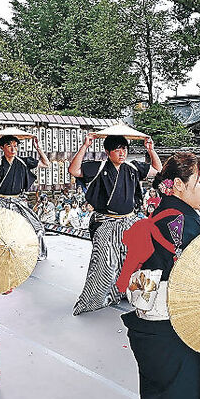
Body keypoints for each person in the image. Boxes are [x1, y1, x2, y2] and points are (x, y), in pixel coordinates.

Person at [119, 153, 200, 399]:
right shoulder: (183, 223)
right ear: (177, 187)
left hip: (150, 329)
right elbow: (199, 277)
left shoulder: (160, 216)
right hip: (174, 330)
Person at [70, 133, 161, 315]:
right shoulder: (100, 167)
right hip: (106, 221)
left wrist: (151, 150)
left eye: (124, 149)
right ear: (107, 152)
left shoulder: (132, 167)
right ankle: (98, 297)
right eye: (117, 150)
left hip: (129, 221)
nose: (122, 153)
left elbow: (157, 170)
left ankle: (130, 291)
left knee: (135, 259)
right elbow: (74, 170)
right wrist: (85, 146)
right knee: (105, 262)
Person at [0, 133, 51, 261]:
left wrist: (38, 148)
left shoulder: (23, 161)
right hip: (0, 201)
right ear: (2, 147)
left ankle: (36, 255)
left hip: (18, 201)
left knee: (36, 228)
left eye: (15, 146)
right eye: (9, 146)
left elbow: (46, 164)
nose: (13, 149)